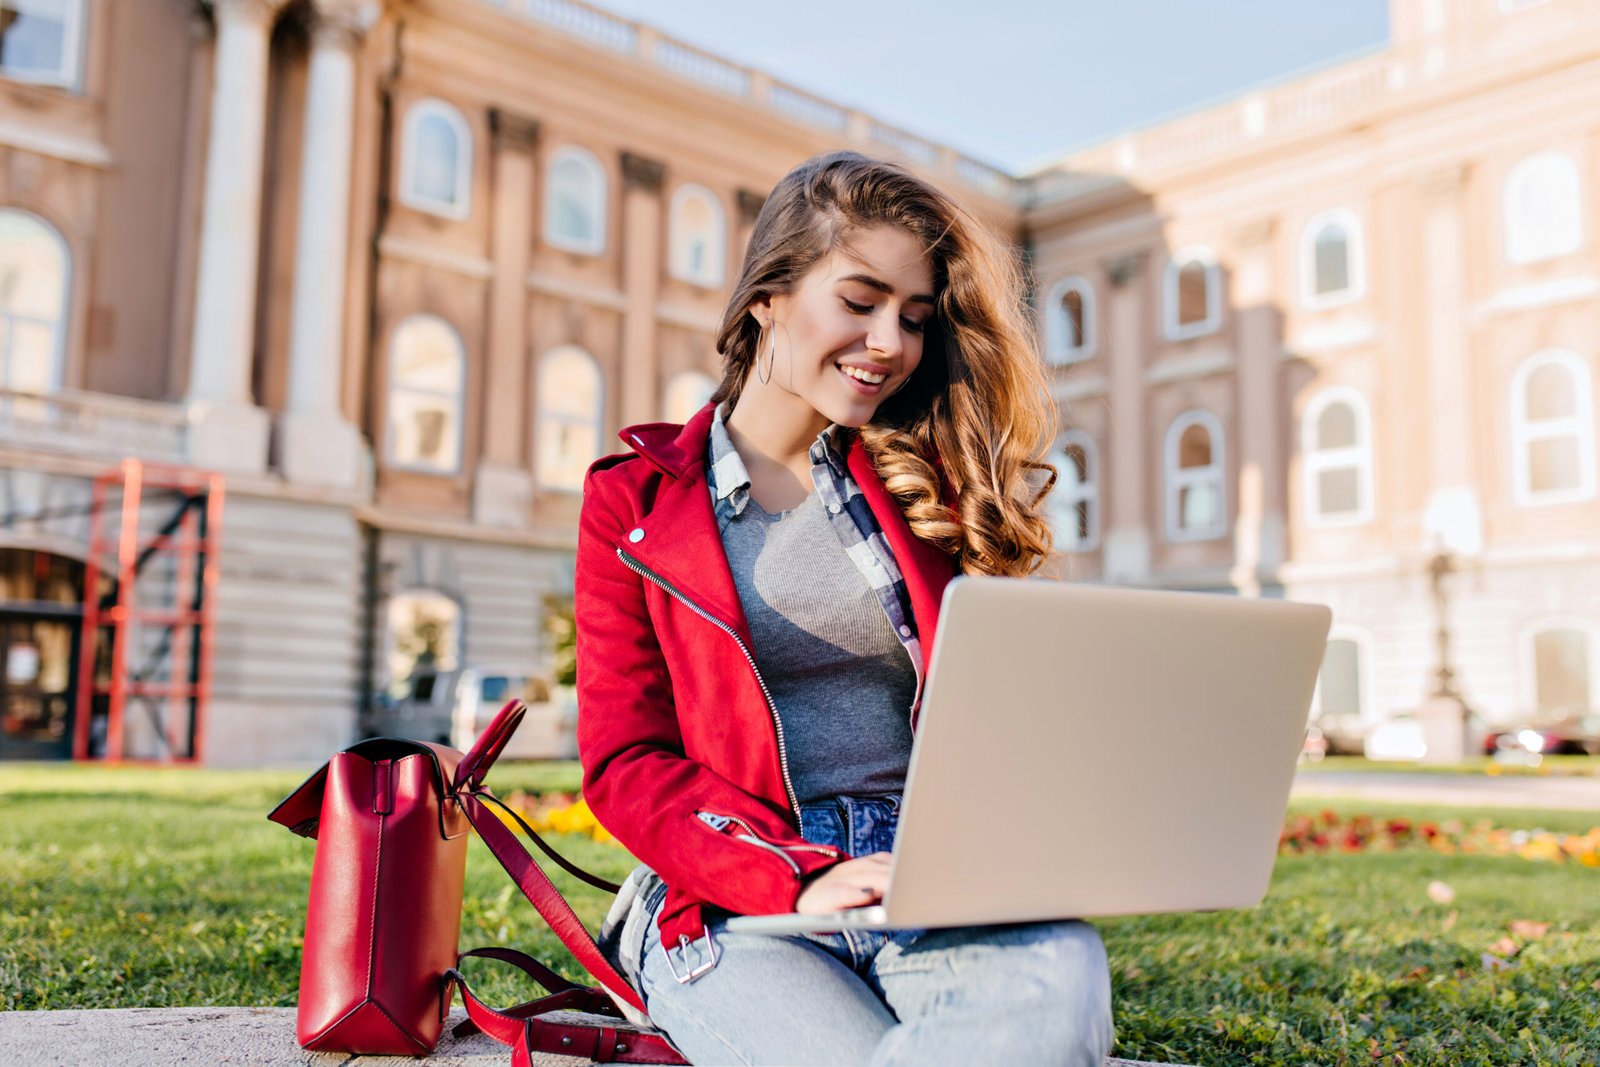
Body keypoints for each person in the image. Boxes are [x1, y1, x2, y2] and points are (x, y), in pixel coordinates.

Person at [575, 151, 1114, 1066]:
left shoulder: (933, 488)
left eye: (912, 318)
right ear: (768, 298)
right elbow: (627, 761)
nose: (890, 343)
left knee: (1057, 978)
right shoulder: (634, 501)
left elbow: (994, 707)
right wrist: (797, 874)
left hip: (936, 881)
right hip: (741, 893)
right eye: (858, 302)